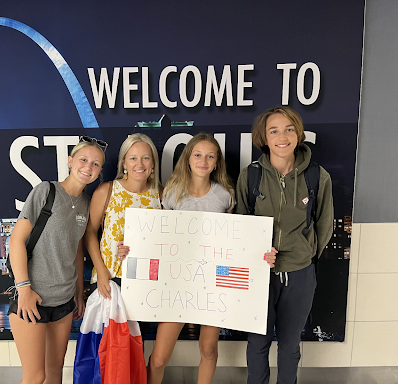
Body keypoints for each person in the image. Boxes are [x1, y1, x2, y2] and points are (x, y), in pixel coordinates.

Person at [147, 133, 273, 384]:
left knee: (208, 349)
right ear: (188, 159)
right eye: (198, 154)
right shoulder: (171, 194)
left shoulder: (225, 195)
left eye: (210, 156)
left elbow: (235, 241)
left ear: (216, 163)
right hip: (178, 284)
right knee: (159, 357)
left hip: (214, 284)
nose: (203, 161)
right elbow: (160, 240)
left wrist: (259, 255)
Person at [236, 107, 334, 384]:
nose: (282, 136)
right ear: (264, 138)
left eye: (289, 129)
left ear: (299, 134)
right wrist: (257, 254)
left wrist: (304, 253)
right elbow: (242, 225)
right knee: (257, 344)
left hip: (300, 273)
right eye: (274, 130)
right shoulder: (251, 176)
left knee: (290, 347)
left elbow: (324, 224)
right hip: (259, 275)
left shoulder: (317, 176)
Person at [8, 137, 106, 384]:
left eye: (96, 164)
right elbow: (16, 241)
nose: (88, 167)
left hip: (63, 302)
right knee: (35, 376)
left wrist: (78, 294)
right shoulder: (46, 191)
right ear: (71, 161)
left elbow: (76, 250)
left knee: (55, 372)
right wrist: (24, 289)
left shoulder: (86, 204)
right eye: (84, 160)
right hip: (33, 298)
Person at [85, 133, 162, 299]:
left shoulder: (161, 195)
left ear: (153, 163)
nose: (139, 164)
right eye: (133, 158)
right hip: (110, 278)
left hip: (146, 281)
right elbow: (89, 232)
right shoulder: (107, 191)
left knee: (141, 327)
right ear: (124, 163)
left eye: (146, 158)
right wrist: (101, 271)